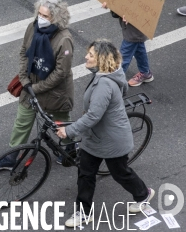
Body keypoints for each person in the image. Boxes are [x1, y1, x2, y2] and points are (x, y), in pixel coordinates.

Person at [57, 40, 154, 228]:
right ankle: (83, 213)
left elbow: (94, 116)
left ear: (101, 59)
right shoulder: (104, 75)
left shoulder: (104, 84)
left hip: (111, 141)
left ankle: (143, 194)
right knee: (85, 174)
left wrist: (69, 130)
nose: (86, 56)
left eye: (91, 55)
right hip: (95, 138)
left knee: (120, 173)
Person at [0, 0, 74, 170]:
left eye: (45, 16)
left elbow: (61, 73)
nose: (40, 19)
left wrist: (36, 88)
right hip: (30, 85)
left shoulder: (64, 40)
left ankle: (70, 147)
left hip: (55, 92)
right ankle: (12, 156)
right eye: (40, 14)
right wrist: (24, 79)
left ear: (56, 17)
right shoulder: (32, 27)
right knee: (22, 122)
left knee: (59, 122)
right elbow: (24, 52)